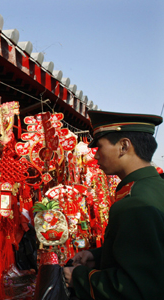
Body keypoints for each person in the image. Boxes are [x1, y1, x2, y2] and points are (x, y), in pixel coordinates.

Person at [64, 110, 164, 300]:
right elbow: (150, 252)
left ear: (124, 146)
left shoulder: (134, 202)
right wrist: (98, 257)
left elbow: (136, 289)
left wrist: (79, 277)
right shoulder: (155, 186)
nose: (95, 156)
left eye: (100, 147)